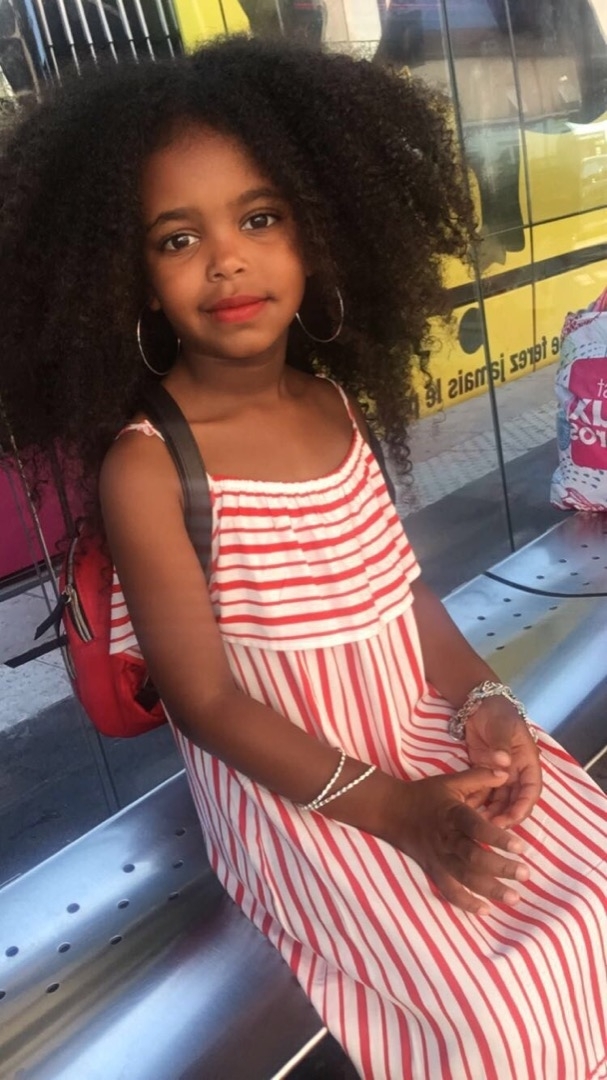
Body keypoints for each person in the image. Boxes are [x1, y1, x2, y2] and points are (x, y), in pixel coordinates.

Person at [0, 37, 605, 1080]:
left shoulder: (330, 404)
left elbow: (400, 596)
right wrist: (398, 813)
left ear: (320, 231)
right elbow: (204, 704)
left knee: (586, 894)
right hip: (304, 793)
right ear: (129, 279)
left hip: (414, 733)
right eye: (177, 237)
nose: (226, 260)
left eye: (260, 218)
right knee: (494, 1006)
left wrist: (487, 703)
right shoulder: (150, 466)